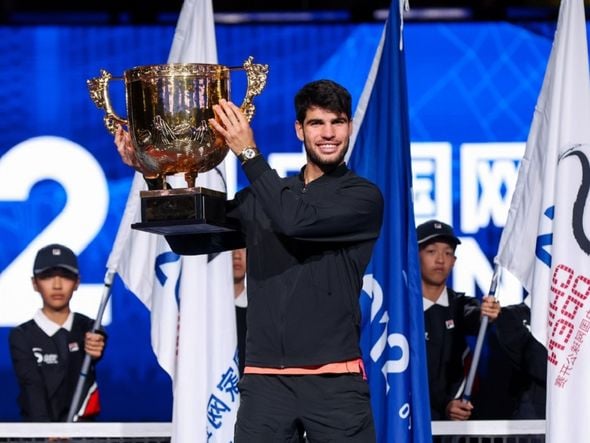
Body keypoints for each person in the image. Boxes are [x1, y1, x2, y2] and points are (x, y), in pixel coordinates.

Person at [115, 79, 384, 441]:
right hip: (264, 384)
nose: (328, 133)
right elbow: (190, 239)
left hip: (335, 382)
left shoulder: (362, 197)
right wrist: (152, 173)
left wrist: (249, 154)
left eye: (337, 122)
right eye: (317, 123)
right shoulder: (268, 194)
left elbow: (295, 221)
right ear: (299, 130)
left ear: (350, 127)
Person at [9, 244, 106, 422]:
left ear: (77, 282)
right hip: (38, 435)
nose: (57, 285)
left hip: (83, 434)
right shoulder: (22, 335)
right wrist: (46, 431)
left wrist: (98, 345)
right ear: (34, 283)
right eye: (47, 276)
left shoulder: (89, 328)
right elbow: (32, 386)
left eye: (66, 276)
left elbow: (98, 340)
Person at [416, 219, 500, 422]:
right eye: (431, 251)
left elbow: (475, 316)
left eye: (447, 253)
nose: (440, 260)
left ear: (454, 261)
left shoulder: (461, 304)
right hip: (406, 421)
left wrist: (486, 312)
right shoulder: (401, 312)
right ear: (413, 256)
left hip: (454, 424)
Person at [232, 247, 248, 376]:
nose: (236, 256)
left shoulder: (257, 310)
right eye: (230, 250)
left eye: (242, 250)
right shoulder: (206, 313)